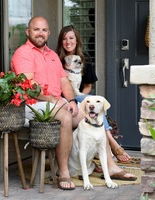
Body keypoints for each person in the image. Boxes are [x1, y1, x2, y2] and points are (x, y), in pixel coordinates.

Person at [11, 16, 135, 191]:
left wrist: (70, 100)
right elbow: (29, 86)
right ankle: (64, 173)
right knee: (65, 118)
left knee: (92, 115)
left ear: (49, 33)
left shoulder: (52, 55)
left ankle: (110, 166)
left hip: (55, 102)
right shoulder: (23, 53)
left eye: (44, 30)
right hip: (32, 104)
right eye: (36, 29)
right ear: (28, 32)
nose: (40, 33)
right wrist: (54, 100)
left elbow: (64, 83)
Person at [56, 25, 136, 179]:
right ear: (60, 42)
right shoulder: (56, 60)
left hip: (79, 99)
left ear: (77, 40)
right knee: (92, 107)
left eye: (71, 38)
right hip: (63, 101)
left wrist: (81, 100)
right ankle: (113, 145)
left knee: (92, 104)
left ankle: (108, 160)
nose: (68, 42)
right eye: (64, 39)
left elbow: (87, 86)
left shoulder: (84, 59)